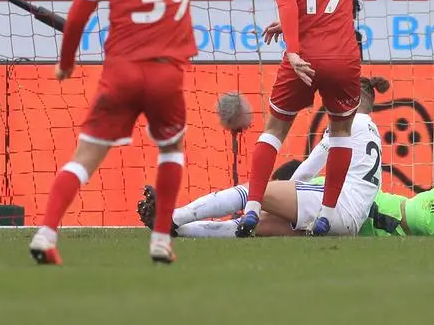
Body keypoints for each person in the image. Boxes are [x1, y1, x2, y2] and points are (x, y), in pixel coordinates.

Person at [28, 0, 240, 265]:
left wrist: (66, 64)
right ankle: (161, 240)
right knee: (172, 150)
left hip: (121, 72)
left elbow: (76, 17)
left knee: (84, 158)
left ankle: (46, 234)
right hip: (166, 73)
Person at [155, 138, 434, 239]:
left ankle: (179, 229)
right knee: (263, 204)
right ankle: (175, 219)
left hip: (390, 222)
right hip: (411, 215)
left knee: (262, 230)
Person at [235, 0, 362, 237]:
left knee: (274, 130)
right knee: (341, 134)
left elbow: (290, 2)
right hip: (342, 58)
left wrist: (292, 49)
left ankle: (252, 207)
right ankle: (326, 215)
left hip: (303, 56)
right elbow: (335, 8)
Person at [140, 76, 392, 238]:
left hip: (336, 206)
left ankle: (173, 216)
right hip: (350, 224)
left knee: (255, 192)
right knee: (259, 228)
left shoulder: (350, 122)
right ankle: (181, 232)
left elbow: (308, 170)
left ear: (353, 98)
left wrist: (280, 195)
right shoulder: (372, 131)